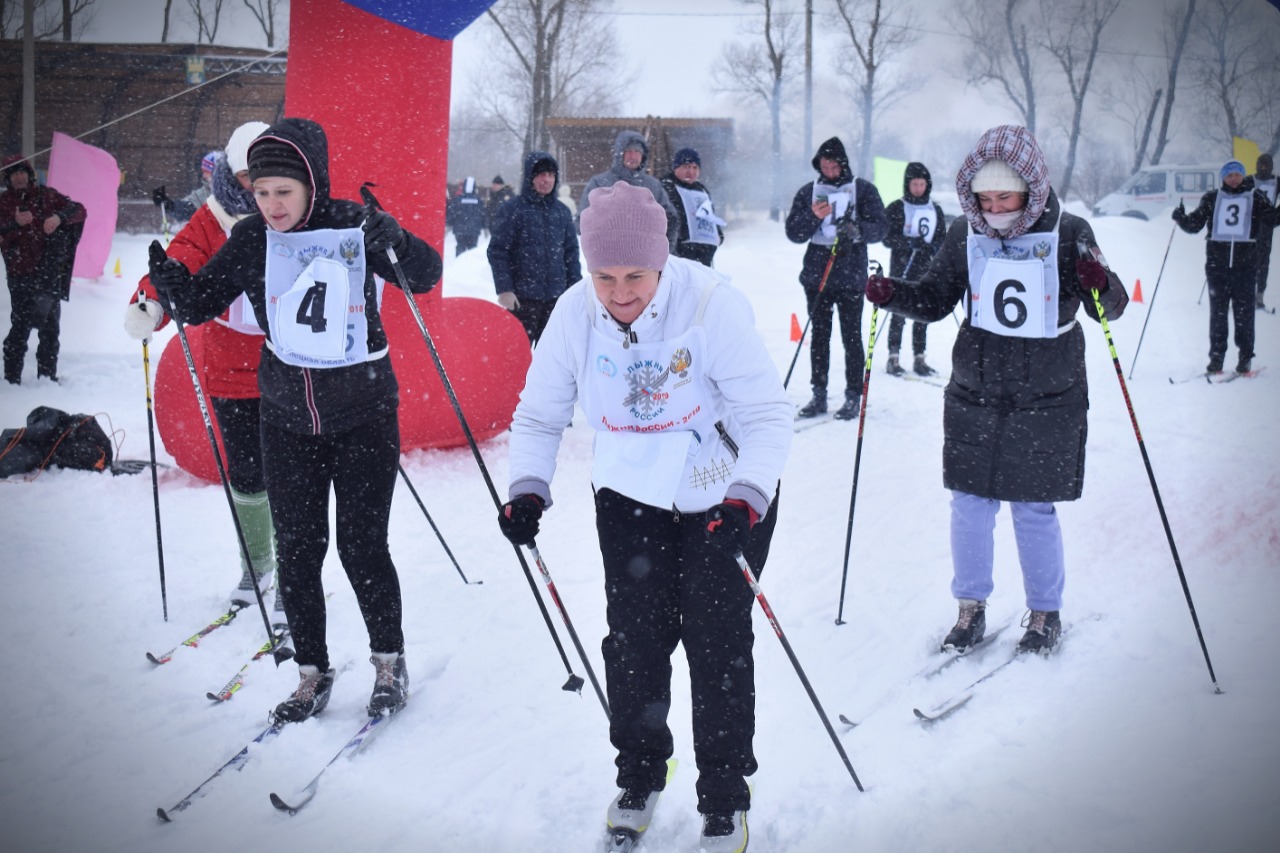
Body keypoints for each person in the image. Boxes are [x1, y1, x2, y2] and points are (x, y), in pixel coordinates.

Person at [496, 181, 791, 852]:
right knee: (634, 641)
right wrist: (528, 489)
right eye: (604, 276)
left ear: (661, 261)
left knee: (716, 641)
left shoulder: (710, 305)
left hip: (721, 492)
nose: (620, 292)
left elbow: (767, 415)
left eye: (635, 275)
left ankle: (724, 794)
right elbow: (539, 413)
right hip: (630, 493)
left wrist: (746, 496)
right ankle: (639, 772)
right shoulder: (574, 313)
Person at [146, 117, 443, 722]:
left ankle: (389, 661)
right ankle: (311, 672)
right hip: (285, 419)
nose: (272, 204)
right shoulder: (253, 237)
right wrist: (174, 285)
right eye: (261, 192)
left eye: (284, 191)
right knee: (300, 553)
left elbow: (426, 274)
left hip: (363, 415)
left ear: (312, 183)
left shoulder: (354, 224)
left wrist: (398, 240)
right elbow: (201, 303)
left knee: (363, 546)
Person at [864, 124, 1129, 655]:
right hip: (976, 388)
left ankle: (1044, 612)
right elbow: (936, 298)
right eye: (983, 199)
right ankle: (970, 608)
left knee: (1033, 507)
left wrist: (1099, 282)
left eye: (1004, 198)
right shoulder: (966, 232)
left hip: (1047, 392)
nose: (994, 209)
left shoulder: (1071, 230)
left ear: (1031, 187)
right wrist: (893, 294)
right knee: (969, 503)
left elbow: (1112, 306)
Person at [124, 121, 284, 616]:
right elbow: (178, 262)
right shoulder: (211, 219)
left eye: (264, 175)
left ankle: (296, 572)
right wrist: (152, 301)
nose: (256, 188)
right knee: (247, 475)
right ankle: (257, 564)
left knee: (290, 475)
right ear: (230, 175)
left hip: (290, 367)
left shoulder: (291, 214)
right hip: (231, 371)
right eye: (247, 177)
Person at [784, 136, 888, 420]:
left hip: (851, 274)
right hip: (818, 275)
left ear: (843, 164)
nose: (829, 171)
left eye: (834, 166)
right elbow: (794, 233)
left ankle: (853, 395)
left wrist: (857, 230)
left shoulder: (862, 189)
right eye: (824, 166)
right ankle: (819, 394)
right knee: (819, 337)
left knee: (851, 337)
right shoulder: (809, 191)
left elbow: (881, 227)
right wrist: (812, 216)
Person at [1173, 158, 1274, 374]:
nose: (1233, 179)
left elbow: (1272, 218)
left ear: (1243, 175)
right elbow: (1195, 224)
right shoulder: (1212, 198)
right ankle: (1216, 359)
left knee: (1244, 314)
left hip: (1245, 266)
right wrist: (1181, 219)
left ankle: (1245, 358)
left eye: (1237, 174)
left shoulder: (1255, 197)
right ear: (1223, 177)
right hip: (1217, 266)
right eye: (1229, 175)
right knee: (1218, 314)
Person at [1, 154, 86, 384]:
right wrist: (14, 224)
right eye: (14, 174)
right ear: (8, 178)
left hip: (48, 273)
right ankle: (11, 380)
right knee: (20, 329)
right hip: (19, 274)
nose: (19, 177)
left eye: (22, 172)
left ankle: (47, 379)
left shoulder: (46, 196)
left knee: (50, 329)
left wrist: (59, 217)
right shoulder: (4, 203)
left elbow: (79, 210)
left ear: (30, 175)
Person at [486, 151, 581, 345]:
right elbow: (498, 251)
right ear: (530, 177)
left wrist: (575, 292)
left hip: (556, 300)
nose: (547, 180)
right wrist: (505, 290)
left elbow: (571, 254)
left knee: (553, 357)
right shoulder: (512, 210)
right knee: (517, 355)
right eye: (541, 174)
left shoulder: (562, 212)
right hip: (521, 300)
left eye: (551, 175)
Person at [881, 161, 945, 377]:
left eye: (922, 184)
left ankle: (920, 358)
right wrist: (909, 243)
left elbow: (942, 239)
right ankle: (893, 358)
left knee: (922, 314)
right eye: (914, 184)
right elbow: (887, 238)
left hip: (926, 268)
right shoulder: (896, 207)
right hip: (902, 268)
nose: (918, 188)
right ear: (907, 184)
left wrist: (932, 247)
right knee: (898, 313)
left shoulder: (935, 209)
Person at [577, 130, 680, 250]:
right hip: (608, 253)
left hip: (645, 255)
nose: (633, 156)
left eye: (637, 152)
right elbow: (583, 220)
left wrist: (664, 250)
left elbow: (670, 219)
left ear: (643, 156)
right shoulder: (600, 183)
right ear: (619, 154)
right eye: (628, 151)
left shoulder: (653, 186)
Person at [660, 147, 725, 267]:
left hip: (704, 255)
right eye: (686, 167)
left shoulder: (702, 190)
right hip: (678, 254)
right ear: (676, 168)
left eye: (695, 167)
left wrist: (717, 234)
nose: (691, 172)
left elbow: (709, 215)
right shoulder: (666, 188)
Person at [1246, 153, 1277, 310]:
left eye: (1267, 166)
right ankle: (1246, 294)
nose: (1264, 169)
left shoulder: (1277, 181)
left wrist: (1275, 217)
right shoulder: (1249, 181)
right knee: (1247, 260)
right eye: (1261, 166)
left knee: (1263, 262)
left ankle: (1259, 295)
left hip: (1266, 229)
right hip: (1248, 228)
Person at [153, 150, 218, 223]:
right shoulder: (204, 192)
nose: (203, 175)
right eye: (203, 171)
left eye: (206, 172)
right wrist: (169, 205)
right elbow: (187, 208)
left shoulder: (227, 193)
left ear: (216, 172)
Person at [446, 176, 485, 255]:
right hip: (474, 230)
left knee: (460, 247)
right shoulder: (479, 200)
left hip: (460, 230)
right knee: (473, 250)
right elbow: (483, 214)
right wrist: (484, 225)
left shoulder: (458, 199)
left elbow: (452, 213)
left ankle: (459, 262)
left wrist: (449, 223)